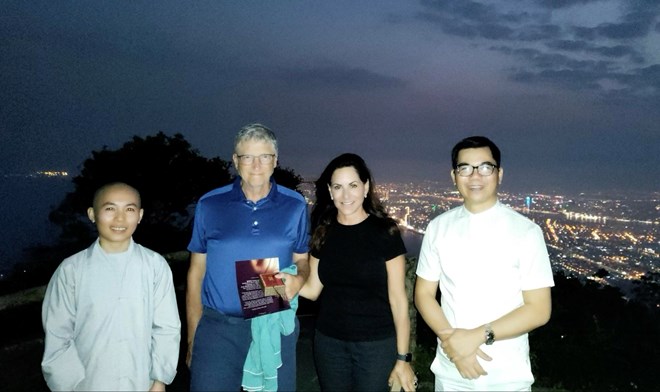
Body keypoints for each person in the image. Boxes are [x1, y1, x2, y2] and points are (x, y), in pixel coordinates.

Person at [414, 136, 555, 391]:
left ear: (499, 174)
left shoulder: (526, 232)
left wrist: (477, 337)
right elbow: (424, 294)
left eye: (485, 167)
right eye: (465, 168)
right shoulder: (438, 228)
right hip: (451, 371)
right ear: (454, 176)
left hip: (507, 375)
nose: (474, 176)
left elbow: (539, 309)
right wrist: (455, 347)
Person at [186, 123, 310, 391]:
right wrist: (194, 336)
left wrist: (299, 279)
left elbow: (303, 259)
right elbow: (196, 273)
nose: (256, 165)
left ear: (275, 161)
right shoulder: (210, 204)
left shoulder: (295, 205)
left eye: (264, 156)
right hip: (219, 327)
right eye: (247, 157)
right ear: (235, 161)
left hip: (273, 324)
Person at [41, 182, 181, 391]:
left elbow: (167, 328)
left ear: (140, 215)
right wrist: (69, 384)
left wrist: (159, 380)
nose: (120, 218)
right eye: (109, 209)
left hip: (141, 381)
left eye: (130, 209)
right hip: (88, 382)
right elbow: (57, 333)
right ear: (92, 214)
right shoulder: (72, 269)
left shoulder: (154, 265)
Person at [300, 153, 417, 391]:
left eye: (353, 185)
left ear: (366, 187)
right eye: (338, 187)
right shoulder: (323, 232)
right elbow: (312, 290)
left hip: (376, 345)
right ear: (330, 192)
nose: (346, 195)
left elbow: (398, 299)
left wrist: (403, 358)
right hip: (329, 343)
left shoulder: (386, 232)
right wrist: (270, 281)